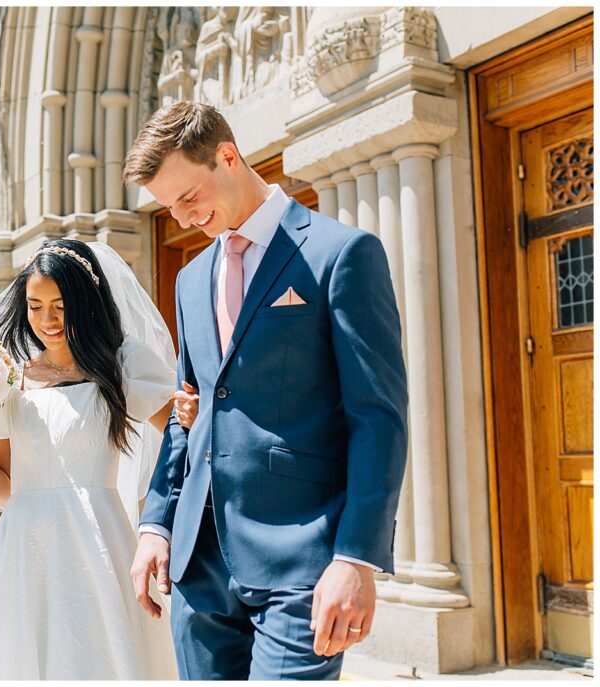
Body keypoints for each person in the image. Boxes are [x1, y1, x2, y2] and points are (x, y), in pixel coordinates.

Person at [126, 101, 408, 680]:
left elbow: (378, 417)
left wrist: (357, 558)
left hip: (303, 561)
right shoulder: (189, 278)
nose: (181, 219)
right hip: (198, 569)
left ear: (228, 156)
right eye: (168, 206)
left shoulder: (341, 254)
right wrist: (157, 523)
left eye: (187, 197)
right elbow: (190, 412)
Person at [0, 238, 180, 680]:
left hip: (98, 539)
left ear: (85, 301)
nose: (47, 320)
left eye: (60, 304)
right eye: (35, 306)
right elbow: (6, 486)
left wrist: (160, 521)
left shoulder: (122, 364)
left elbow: (181, 440)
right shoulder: (10, 379)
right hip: (24, 544)